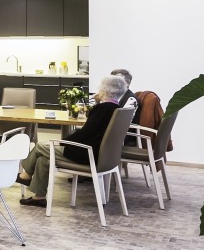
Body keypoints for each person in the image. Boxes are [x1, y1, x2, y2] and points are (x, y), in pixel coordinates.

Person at [15, 74, 129, 208]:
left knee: (40, 146)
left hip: (87, 154)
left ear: (104, 91)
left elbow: (85, 133)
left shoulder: (102, 109)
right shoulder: (117, 109)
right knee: (43, 159)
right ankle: (38, 197)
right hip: (104, 157)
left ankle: (26, 175)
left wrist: (62, 142)